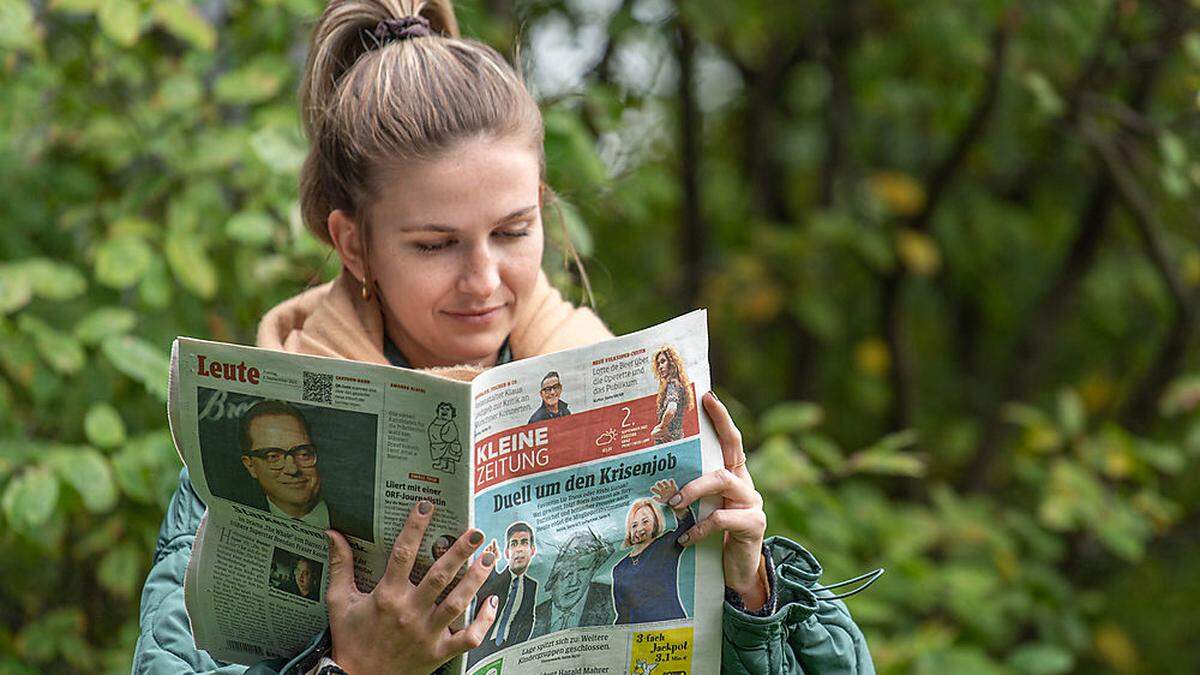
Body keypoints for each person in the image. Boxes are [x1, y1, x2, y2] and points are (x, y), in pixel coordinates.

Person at [133, 1, 876, 673]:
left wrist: (749, 588)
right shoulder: (249, 455)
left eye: (514, 230)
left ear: (543, 210)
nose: (484, 279)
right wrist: (351, 669)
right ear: (354, 245)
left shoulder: (644, 397)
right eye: (435, 245)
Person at [611, 479, 694, 624]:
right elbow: (622, 613)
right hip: (638, 637)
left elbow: (688, 527)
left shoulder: (665, 545)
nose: (639, 529)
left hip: (671, 630)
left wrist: (675, 503)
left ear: (656, 522)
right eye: (634, 525)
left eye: (645, 522)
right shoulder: (620, 568)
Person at [239, 400, 327, 525]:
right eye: (273, 456)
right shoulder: (237, 520)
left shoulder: (360, 525)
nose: (293, 470)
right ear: (250, 466)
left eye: (303, 454)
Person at [468, 522, 538, 666]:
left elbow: (528, 618)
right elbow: (481, 598)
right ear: (507, 552)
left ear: (532, 550)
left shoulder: (531, 586)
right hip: (481, 648)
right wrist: (489, 568)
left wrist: (517, 646)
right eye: (514, 544)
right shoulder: (496, 579)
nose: (518, 549)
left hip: (509, 651)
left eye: (524, 543)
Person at [531, 529, 615, 637]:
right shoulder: (533, 616)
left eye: (583, 570)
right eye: (567, 573)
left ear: (593, 571)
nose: (574, 582)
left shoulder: (613, 600)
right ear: (553, 577)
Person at [650, 346, 693, 444]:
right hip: (676, 439)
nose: (660, 367)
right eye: (658, 364)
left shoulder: (672, 384)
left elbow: (671, 409)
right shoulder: (678, 384)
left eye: (663, 361)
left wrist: (661, 427)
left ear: (672, 363)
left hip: (669, 441)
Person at [427, 402, 462, 473]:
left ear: (452, 413)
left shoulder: (450, 423)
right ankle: (442, 465)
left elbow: (452, 435)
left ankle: (450, 468)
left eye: (447, 409)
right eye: (442, 408)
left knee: (449, 457)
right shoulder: (437, 421)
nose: (444, 411)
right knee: (443, 457)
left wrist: (444, 438)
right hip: (438, 444)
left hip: (448, 445)